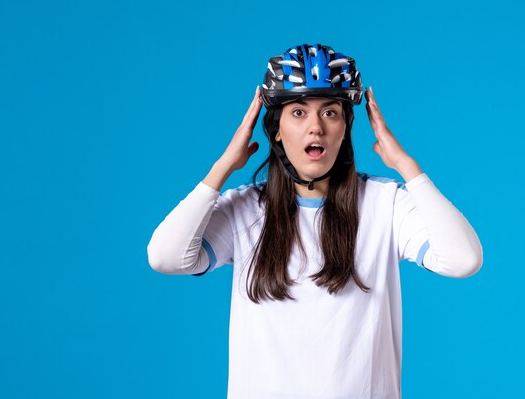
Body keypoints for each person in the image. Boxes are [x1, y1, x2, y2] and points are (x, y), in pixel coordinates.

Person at [147, 42, 483, 399]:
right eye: (298, 113)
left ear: (345, 128)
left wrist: (407, 166)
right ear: (275, 129)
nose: (315, 128)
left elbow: (464, 260)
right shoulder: (245, 211)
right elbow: (165, 257)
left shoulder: (386, 205)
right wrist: (223, 167)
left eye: (330, 113)